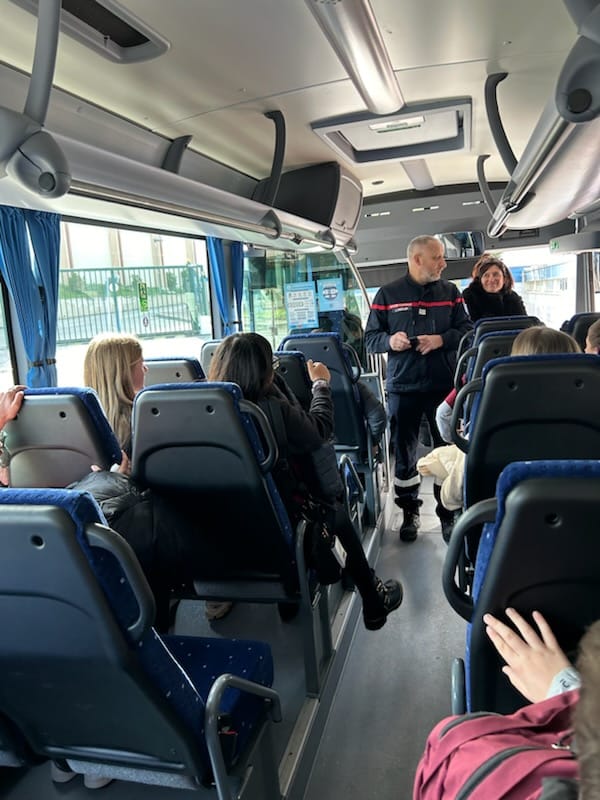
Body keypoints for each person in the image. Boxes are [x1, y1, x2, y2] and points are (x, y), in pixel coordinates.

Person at [208, 332, 403, 631]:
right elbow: (319, 430)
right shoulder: (271, 407)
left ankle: (291, 603)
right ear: (263, 370)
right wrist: (321, 385)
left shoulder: (206, 409)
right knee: (335, 512)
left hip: (228, 530)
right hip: (283, 527)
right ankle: (372, 598)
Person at [365, 235, 472, 542]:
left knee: (446, 450)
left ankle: (446, 512)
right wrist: (390, 341)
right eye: (438, 257)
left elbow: (467, 329)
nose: (444, 263)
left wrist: (441, 340)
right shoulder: (388, 294)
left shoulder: (450, 292)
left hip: (443, 384)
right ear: (417, 260)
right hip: (404, 385)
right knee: (404, 451)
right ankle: (409, 510)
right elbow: (370, 338)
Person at [83, 333, 147, 458]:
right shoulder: (144, 418)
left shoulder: (81, 420)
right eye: (142, 362)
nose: (146, 368)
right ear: (125, 372)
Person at [462, 255, 527, 322]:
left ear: (504, 279)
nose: (491, 279)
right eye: (486, 275)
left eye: (496, 274)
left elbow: (525, 325)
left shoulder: (513, 298)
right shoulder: (469, 297)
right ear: (480, 280)